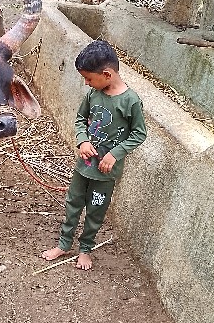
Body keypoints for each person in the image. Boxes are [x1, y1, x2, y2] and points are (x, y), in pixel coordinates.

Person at [41, 39, 147, 270]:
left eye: (89, 79)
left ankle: (86, 248)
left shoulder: (130, 102)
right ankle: (64, 243)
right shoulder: (92, 96)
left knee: (96, 210)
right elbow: (81, 120)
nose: (87, 84)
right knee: (73, 202)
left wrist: (115, 154)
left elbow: (139, 134)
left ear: (107, 74)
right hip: (84, 166)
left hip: (105, 172)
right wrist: (82, 141)